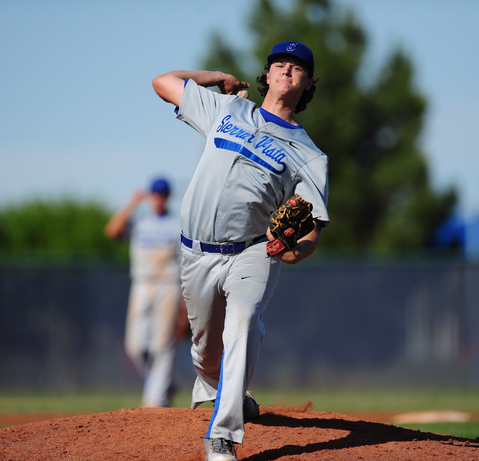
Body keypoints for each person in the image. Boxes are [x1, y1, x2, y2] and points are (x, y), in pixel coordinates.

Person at [152, 41, 329, 461]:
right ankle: (225, 389)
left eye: (297, 68)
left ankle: (223, 436)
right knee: (206, 352)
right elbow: (163, 83)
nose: (287, 71)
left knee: (244, 321)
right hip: (195, 252)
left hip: (253, 251)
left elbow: (312, 227)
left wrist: (295, 251)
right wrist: (218, 79)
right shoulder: (226, 110)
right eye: (279, 65)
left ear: (307, 86)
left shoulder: (310, 156)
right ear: (265, 76)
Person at [104, 177, 187, 408]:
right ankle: (163, 385)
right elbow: (112, 231)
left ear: (167, 197)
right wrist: (132, 203)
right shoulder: (140, 221)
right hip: (141, 284)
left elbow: (185, 263)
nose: (159, 198)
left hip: (168, 285)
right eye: (155, 194)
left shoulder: (176, 224)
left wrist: (184, 302)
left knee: (163, 343)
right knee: (135, 346)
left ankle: (154, 401)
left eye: (162, 194)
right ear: (150, 196)